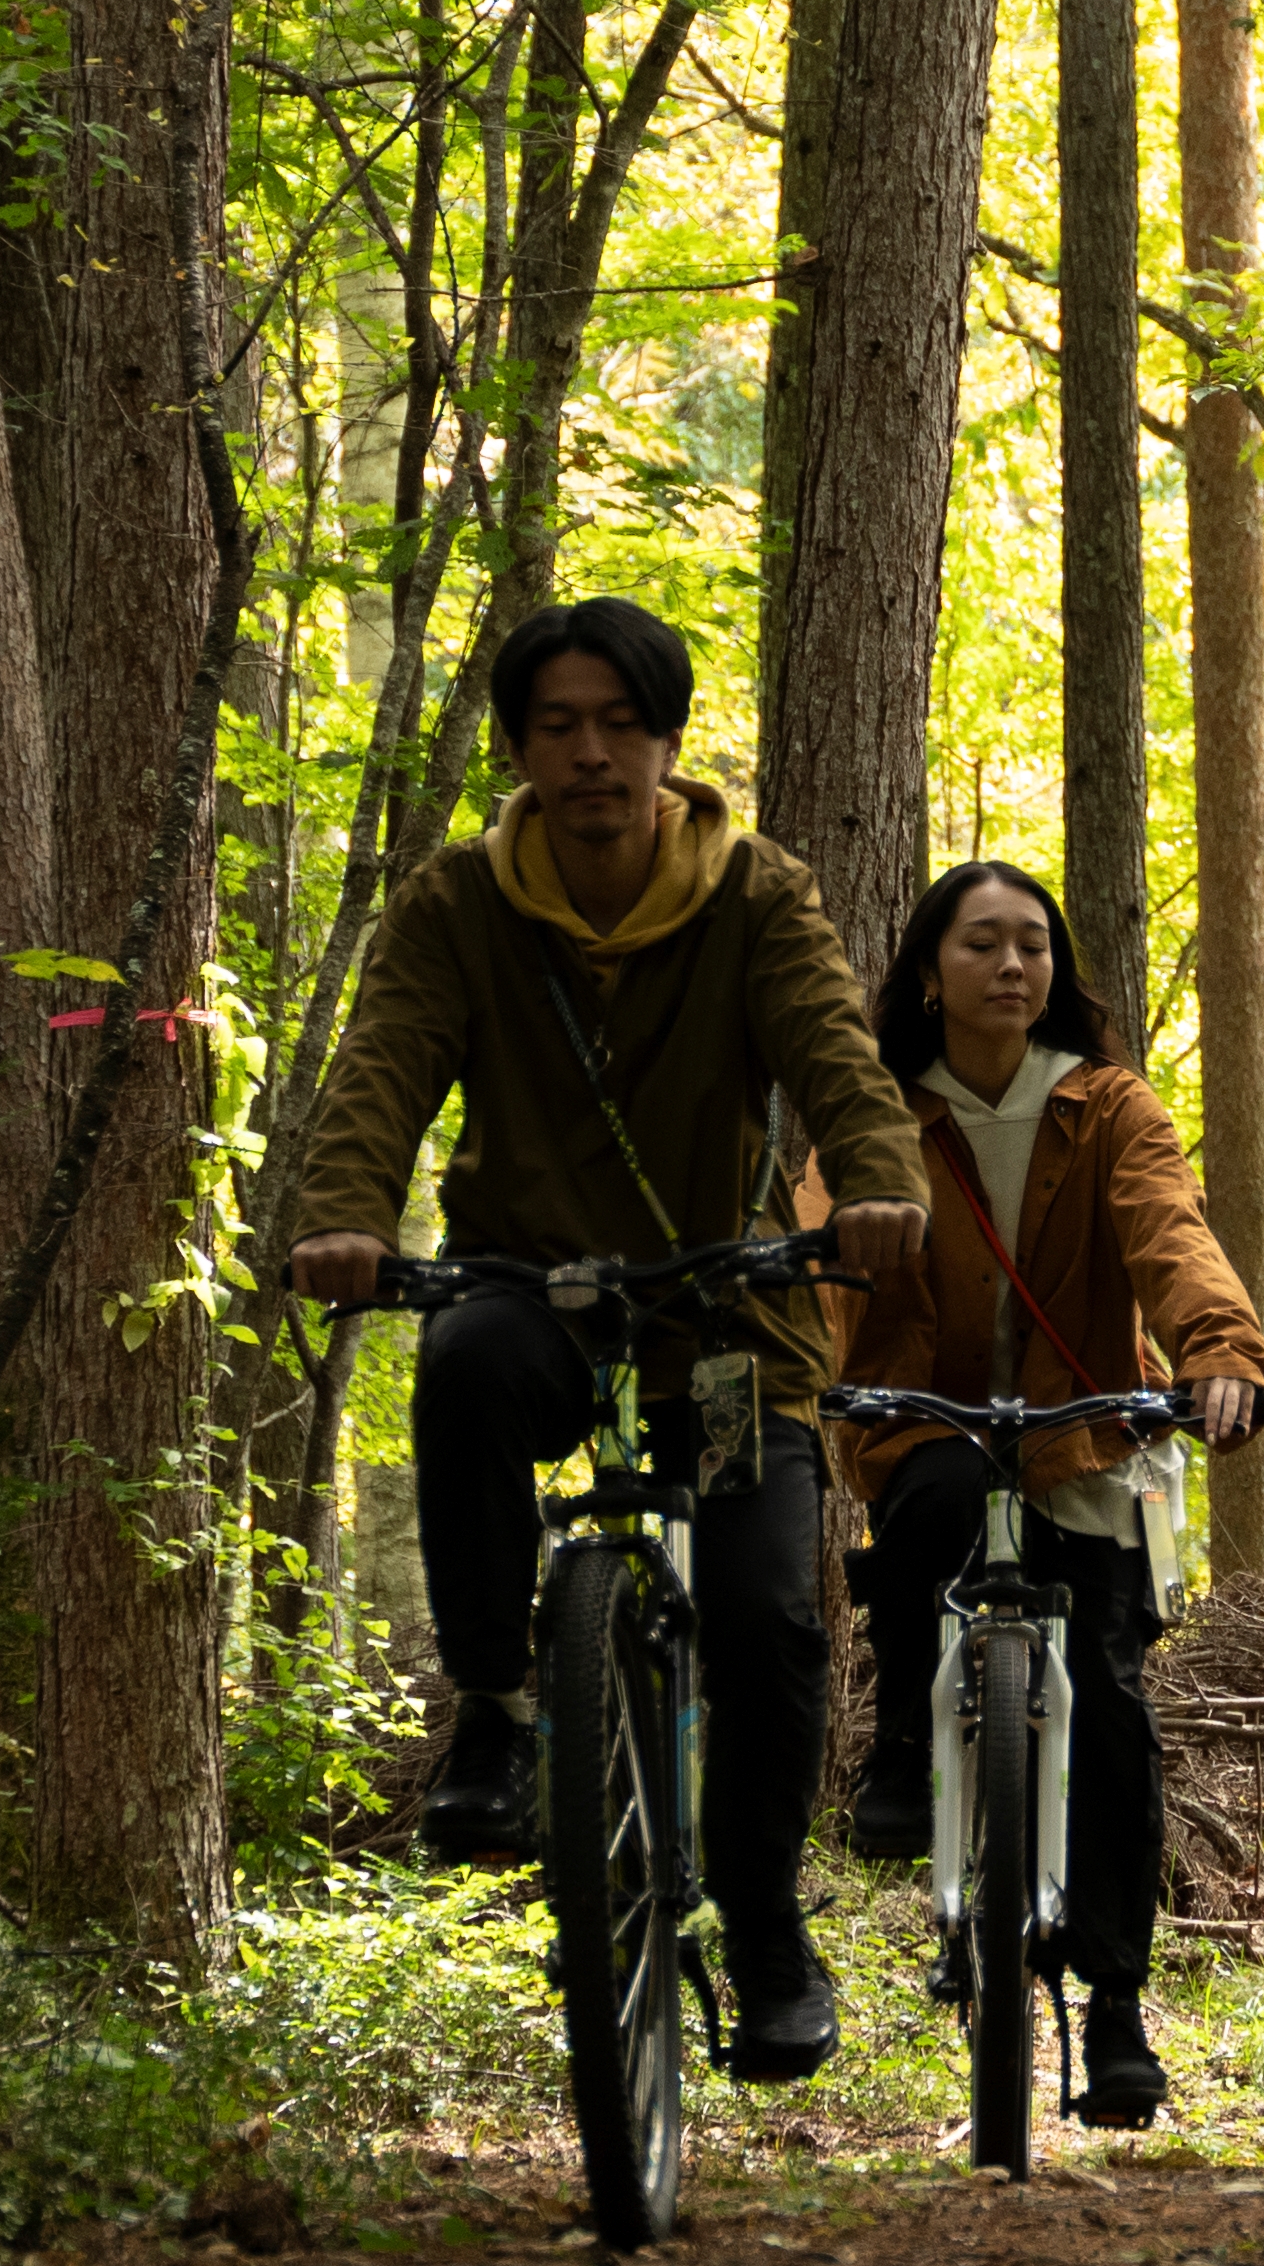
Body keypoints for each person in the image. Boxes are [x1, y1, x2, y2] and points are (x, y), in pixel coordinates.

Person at [287, 600, 931, 2081]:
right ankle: (500, 1713)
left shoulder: (756, 893)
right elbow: (384, 1063)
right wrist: (342, 1213)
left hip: (719, 1320)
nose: (592, 756)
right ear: (518, 749)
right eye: (559, 727)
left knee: (771, 1610)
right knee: (460, 1369)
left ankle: (767, 1927)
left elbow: (836, 1050)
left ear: (666, 740)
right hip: (540, 1295)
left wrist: (882, 1188)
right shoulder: (459, 904)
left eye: (621, 725)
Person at [826, 856, 1264, 2129]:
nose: (1011, 965)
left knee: (1117, 1710)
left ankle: (1119, 2009)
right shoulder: (877, 1109)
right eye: (982, 944)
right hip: (932, 1414)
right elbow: (820, 1245)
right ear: (928, 970)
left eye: (1033, 944)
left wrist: (1219, 1355)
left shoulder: (1106, 1103)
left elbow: (1169, 1232)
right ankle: (906, 1750)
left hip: (1091, 1431)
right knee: (928, 1506)